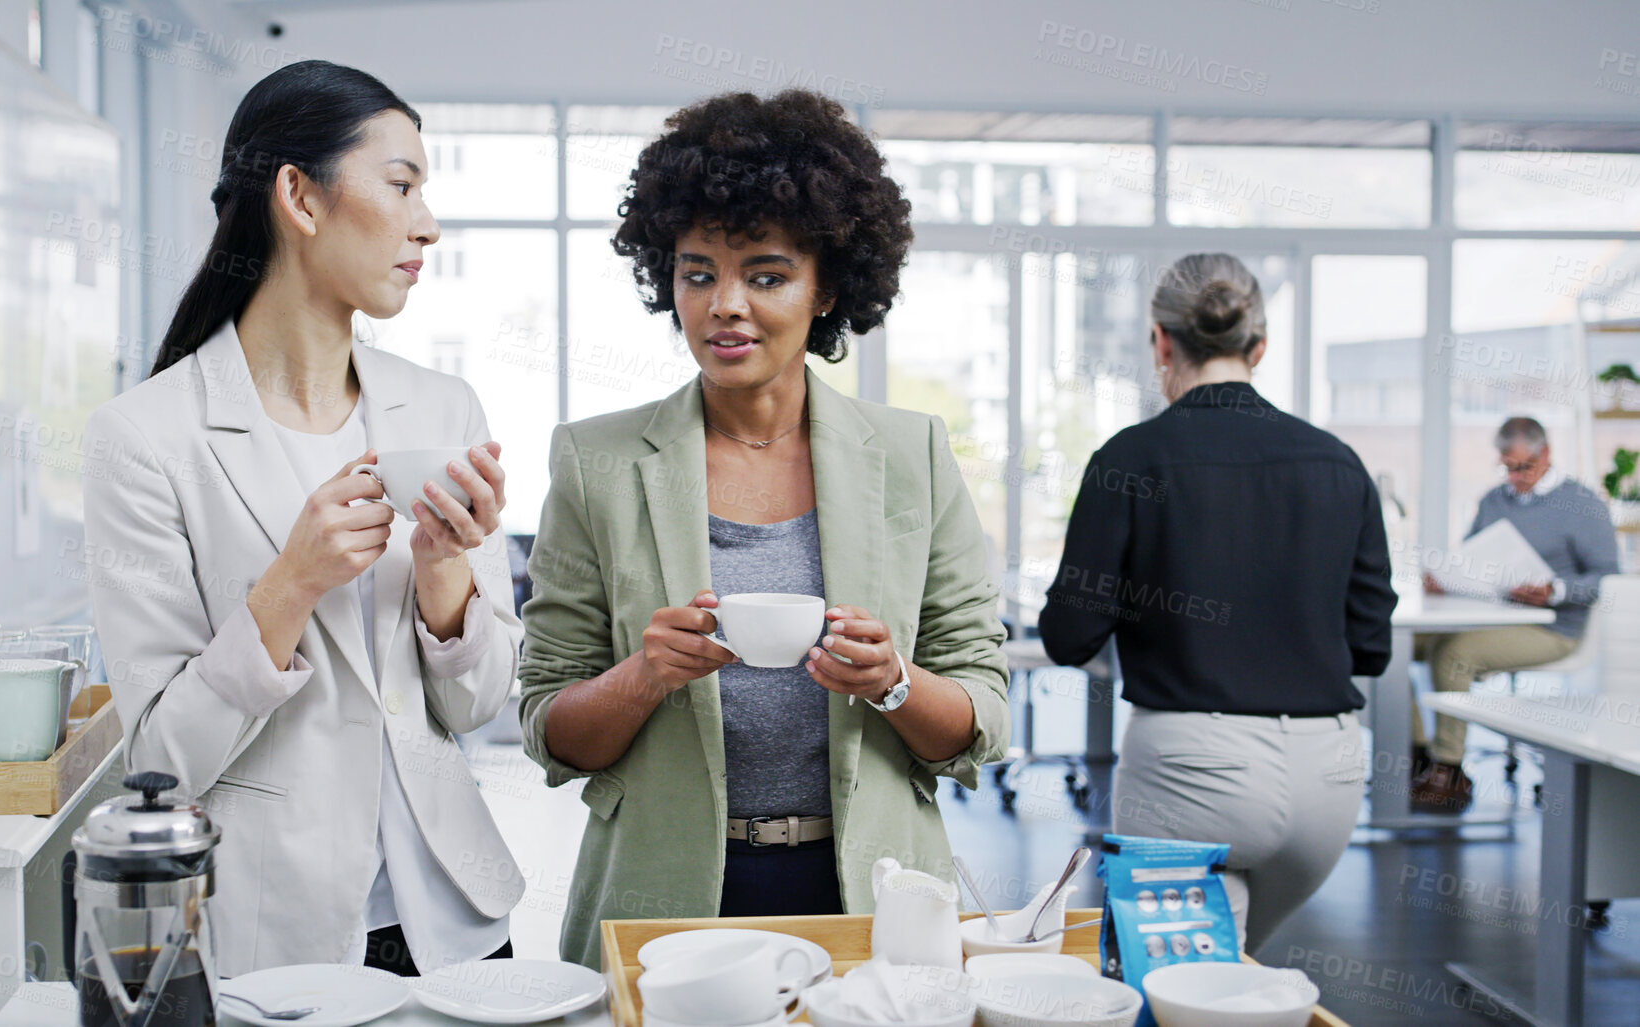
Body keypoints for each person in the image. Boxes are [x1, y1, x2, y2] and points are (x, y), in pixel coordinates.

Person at [517, 89, 1010, 968]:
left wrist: (891, 679)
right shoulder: (594, 461)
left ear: (828, 287)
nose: (723, 305)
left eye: (766, 274)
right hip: (663, 890)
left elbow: (980, 720)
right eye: (697, 271)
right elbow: (551, 730)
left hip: (870, 891)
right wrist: (646, 671)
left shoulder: (914, 454)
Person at [81, 61, 523, 977]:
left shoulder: (444, 412)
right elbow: (161, 755)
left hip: (459, 920)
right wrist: (289, 588)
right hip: (280, 938)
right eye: (400, 185)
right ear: (299, 196)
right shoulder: (145, 438)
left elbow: (478, 705)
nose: (427, 225)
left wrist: (444, 575)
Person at [1039, 253, 1397, 954]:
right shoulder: (1338, 462)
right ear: (1257, 347)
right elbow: (1371, 645)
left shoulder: (1129, 459)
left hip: (1189, 773)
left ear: (1161, 341)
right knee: (1233, 980)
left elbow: (1069, 636)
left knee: (1175, 989)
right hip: (1326, 780)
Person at [1411, 416, 1620, 813]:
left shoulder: (1582, 504)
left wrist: (1555, 590)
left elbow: (1608, 580)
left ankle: (1448, 770)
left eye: (1524, 467)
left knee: (1455, 653)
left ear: (1547, 455)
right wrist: (1446, 577)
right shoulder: (1494, 500)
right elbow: (1472, 559)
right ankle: (1416, 752)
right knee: (1394, 645)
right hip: (1492, 617)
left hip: (1555, 629)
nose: (1515, 477)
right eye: (1507, 467)